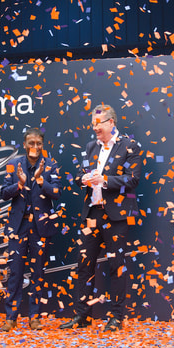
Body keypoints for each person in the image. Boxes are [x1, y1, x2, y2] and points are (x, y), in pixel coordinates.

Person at [60, 104, 142, 333]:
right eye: (93, 124)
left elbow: (132, 179)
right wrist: (83, 179)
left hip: (116, 217)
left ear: (111, 122)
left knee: (116, 266)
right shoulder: (90, 147)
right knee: (84, 265)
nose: (94, 128)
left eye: (98, 123)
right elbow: (80, 174)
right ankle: (83, 315)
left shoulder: (130, 146)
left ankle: (116, 317)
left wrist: (104, 180)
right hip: (92, 214)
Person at [0, 127, 62, 331]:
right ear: (25, 144)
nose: (35, 146)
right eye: (31, 143)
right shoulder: (14, 164)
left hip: (41, 227)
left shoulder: (50, 165)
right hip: (18, 227)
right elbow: (3, 193)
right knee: (15, 273)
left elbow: (57, 192)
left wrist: (42, 181)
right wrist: (19, 184)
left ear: (42, 145)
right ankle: (11, 317)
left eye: (38, 143)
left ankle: (34, 317)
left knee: (37, 273)